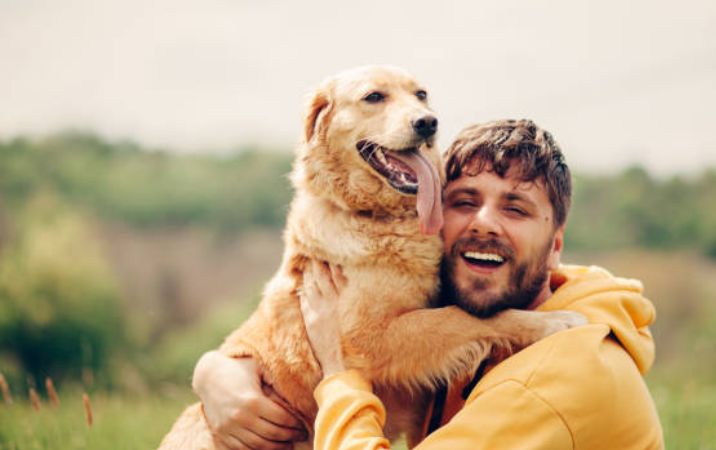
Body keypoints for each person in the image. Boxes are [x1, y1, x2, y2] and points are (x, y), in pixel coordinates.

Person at [193, 119, 664, 449]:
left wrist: (339, 374)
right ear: (430, 211)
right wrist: (215, 370)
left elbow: (364, 348)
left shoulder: (552, 380)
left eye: (515, 208)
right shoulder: (481, 307)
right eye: (464, 201)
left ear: (556, 243)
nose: (484, 224)